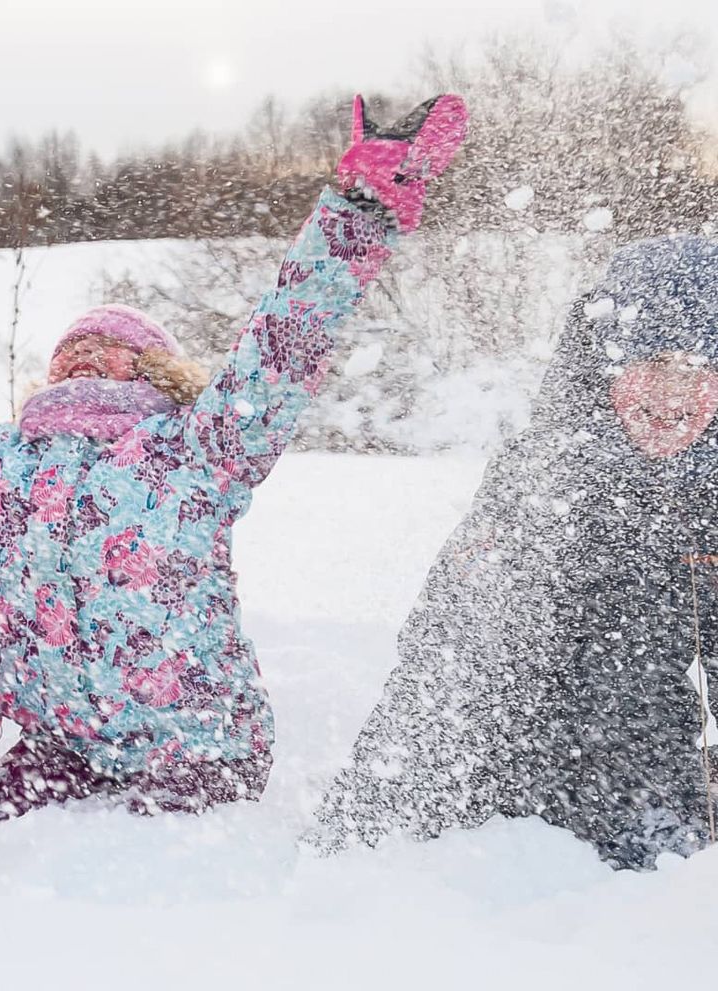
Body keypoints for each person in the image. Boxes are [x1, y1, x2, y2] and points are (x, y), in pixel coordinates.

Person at [0, 94, 468, 821]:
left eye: (112, 348)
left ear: (155, 372)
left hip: (198, 752)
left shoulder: (198, 450)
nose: (86, 356)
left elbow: (284, 344)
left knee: (145, 866)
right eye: (71, 350)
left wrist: (360, 207)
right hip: (62, 746)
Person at [307, 235, 718, 870]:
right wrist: (373, 828)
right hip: (504, 809)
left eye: (699, 370)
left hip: (654, 800)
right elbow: (446, 670)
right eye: (654, 364)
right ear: (606, 364)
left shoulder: (707, 493)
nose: (674, 395)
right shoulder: (547, 479)